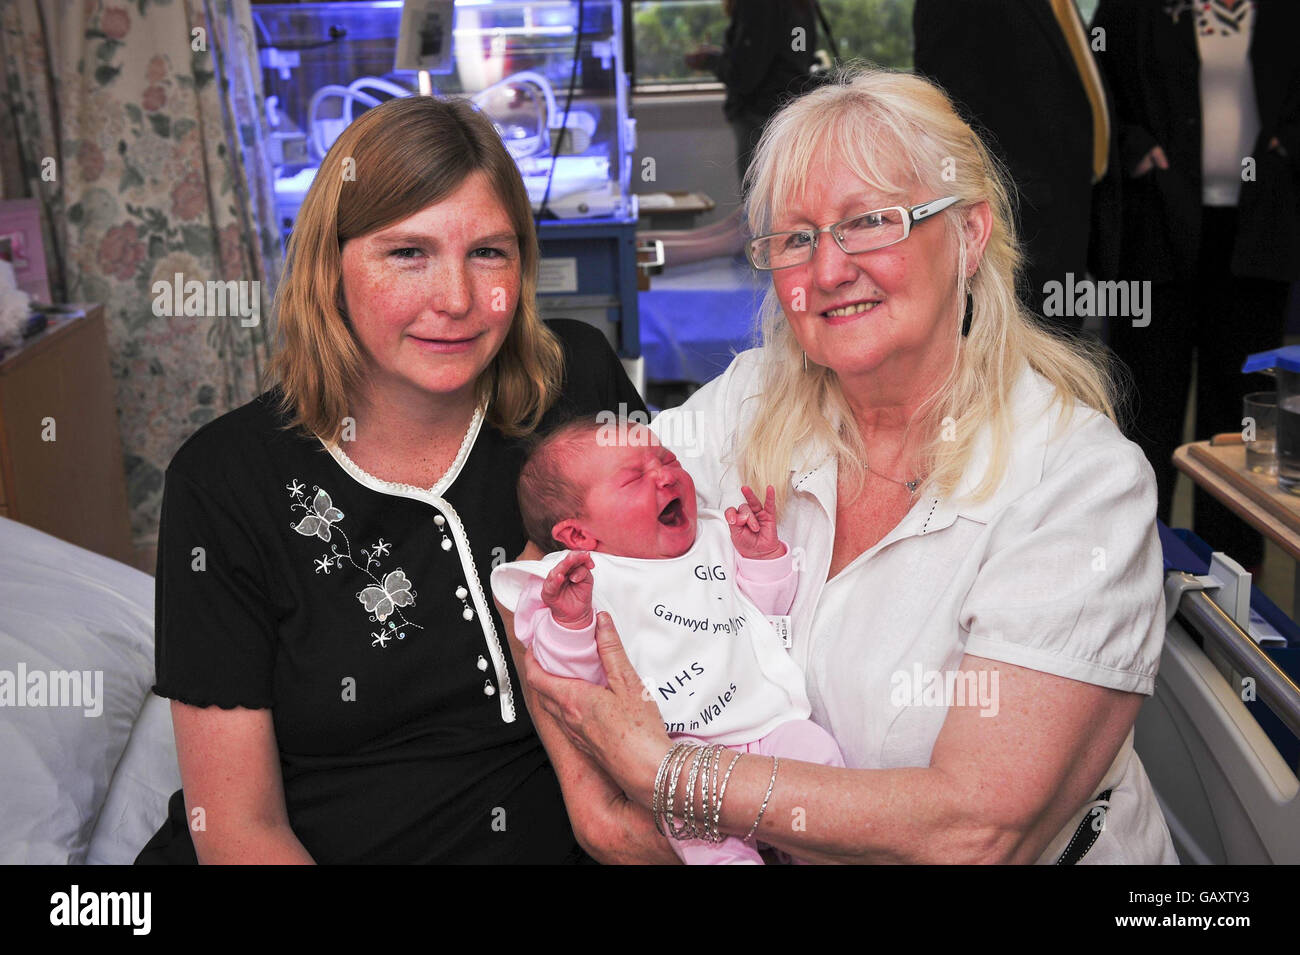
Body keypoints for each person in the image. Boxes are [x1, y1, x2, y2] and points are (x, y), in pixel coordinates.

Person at [505, 67, 1179, 863]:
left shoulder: (1078, 485)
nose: (827, 271)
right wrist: (595, 809)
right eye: (795, 238)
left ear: (968, 234)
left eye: (869, 222)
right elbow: (547, 553)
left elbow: (974, 829)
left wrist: (670, 778)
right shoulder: (751, 401)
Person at [134, 95, 655, 864]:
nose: (456, 299)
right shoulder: (225, 481)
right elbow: (239, 829)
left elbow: (693, 598)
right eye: (407, 253)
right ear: (330, 266)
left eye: (489, 252)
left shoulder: (574, 381)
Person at [489, 419, 844, 864]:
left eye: (668, 459)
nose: (665, 474)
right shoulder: (584, 582)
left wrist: (762, 558)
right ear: (579, 535)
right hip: (676, 754)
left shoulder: (714, 538)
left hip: (766, 727)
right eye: (635, 478)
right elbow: (571, 676)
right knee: (711, 845)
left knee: (821, 763)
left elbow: (763, 617)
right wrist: (571, 621)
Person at [1092, 0, 1300, 570]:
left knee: (1240, 427)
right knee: (1144, 415)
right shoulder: (1130, 9)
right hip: (1157, 232)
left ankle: (1234, 601)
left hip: (1256, 241)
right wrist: (1133, 148)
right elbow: (1091, 79)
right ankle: (1131, 576)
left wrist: (1285, 148)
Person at [913, 0, 1121, 330]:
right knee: (1019, 362)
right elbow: (948, 108)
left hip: (1079, 209)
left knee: (1061, 359)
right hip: (1018, 228)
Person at [685, 0, 818, 180]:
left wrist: (710, 60)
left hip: (761, 118)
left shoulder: (758, 5)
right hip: (791, 111)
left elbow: (744, 75)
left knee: (757, 201)